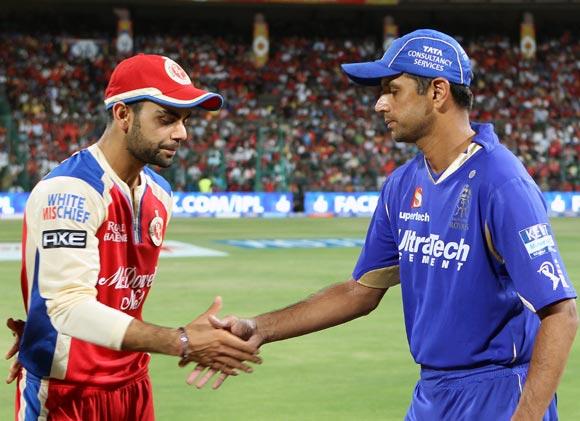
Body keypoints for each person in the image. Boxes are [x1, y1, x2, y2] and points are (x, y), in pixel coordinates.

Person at [189, 29, 578, 420]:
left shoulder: (500, 182)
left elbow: (561, 313)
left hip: (496, 394)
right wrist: (260, 327)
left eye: (393, 90)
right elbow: (360, 291)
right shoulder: (402, 184)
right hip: (431, 394)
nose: (379, 104)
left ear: (438, 92)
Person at [9, 54, 261, 420]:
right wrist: (182, 341)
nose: (182, 133)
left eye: (185, 120)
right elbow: (66, 306)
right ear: (123, 115)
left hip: (133, 386)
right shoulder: (70, 190)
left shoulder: (160, 193)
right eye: (166, 118)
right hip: (66, 393)